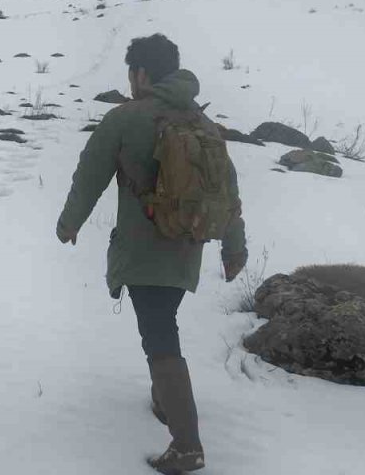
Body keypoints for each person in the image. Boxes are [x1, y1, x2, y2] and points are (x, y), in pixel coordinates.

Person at [56, 33, 249, 473]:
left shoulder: (127, 117)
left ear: (141, 73)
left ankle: (186, 444)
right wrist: (234, 248)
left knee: (159, 334)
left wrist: (69, 223)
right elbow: (228, 190)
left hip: (145, 249)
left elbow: (90, 175)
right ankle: (165, 401)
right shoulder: (200, 121)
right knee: (164, 322)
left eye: (131, 73)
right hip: (188, 245)